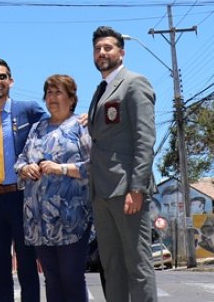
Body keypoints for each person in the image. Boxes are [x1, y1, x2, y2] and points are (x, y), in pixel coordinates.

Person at [87, 26, 157, 302]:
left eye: (108, 47)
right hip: (101, 192)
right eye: (97, 49)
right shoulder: (100, 90)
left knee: (138, 266)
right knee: (112, 268)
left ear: (121, 52)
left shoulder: (134, 83)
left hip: (127, 191)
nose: (102, 53)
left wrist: (137, 187)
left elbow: (145, 138)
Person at [14, 74, 93, 302]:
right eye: (49, 92)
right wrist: (25, 168)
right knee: (51, 279)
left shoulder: (81, 126)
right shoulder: (38, 128)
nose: (52, 97)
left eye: (58, 92)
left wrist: (62, 169)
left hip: (71, 218)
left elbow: (95, 167)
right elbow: (20, 161)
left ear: (71, 98)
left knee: (71, 277)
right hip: (39, 219)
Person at [0, 58, 45, 302]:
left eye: (2, 76)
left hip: (21, 197)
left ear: (11, 81)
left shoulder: (29, 109)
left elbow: (56, 121)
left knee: (26, 266)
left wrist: (80, 119)